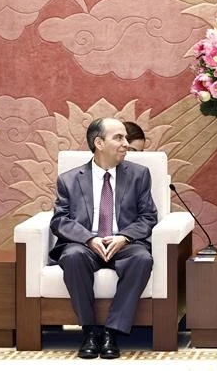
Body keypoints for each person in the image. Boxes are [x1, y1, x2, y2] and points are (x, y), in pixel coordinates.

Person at [49, 117, 157, 359]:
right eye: (118, 138)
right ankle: (89, 331)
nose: (126, 144)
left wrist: (125, 237)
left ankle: (112, 332)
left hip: (124, 244)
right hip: (85, 245)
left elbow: (148, 217)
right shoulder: (69, 179)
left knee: (142, 259)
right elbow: (59, 221)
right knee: (73, 256)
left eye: (126, 138)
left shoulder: (139, 175)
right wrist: (89, 239)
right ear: (98, 142)